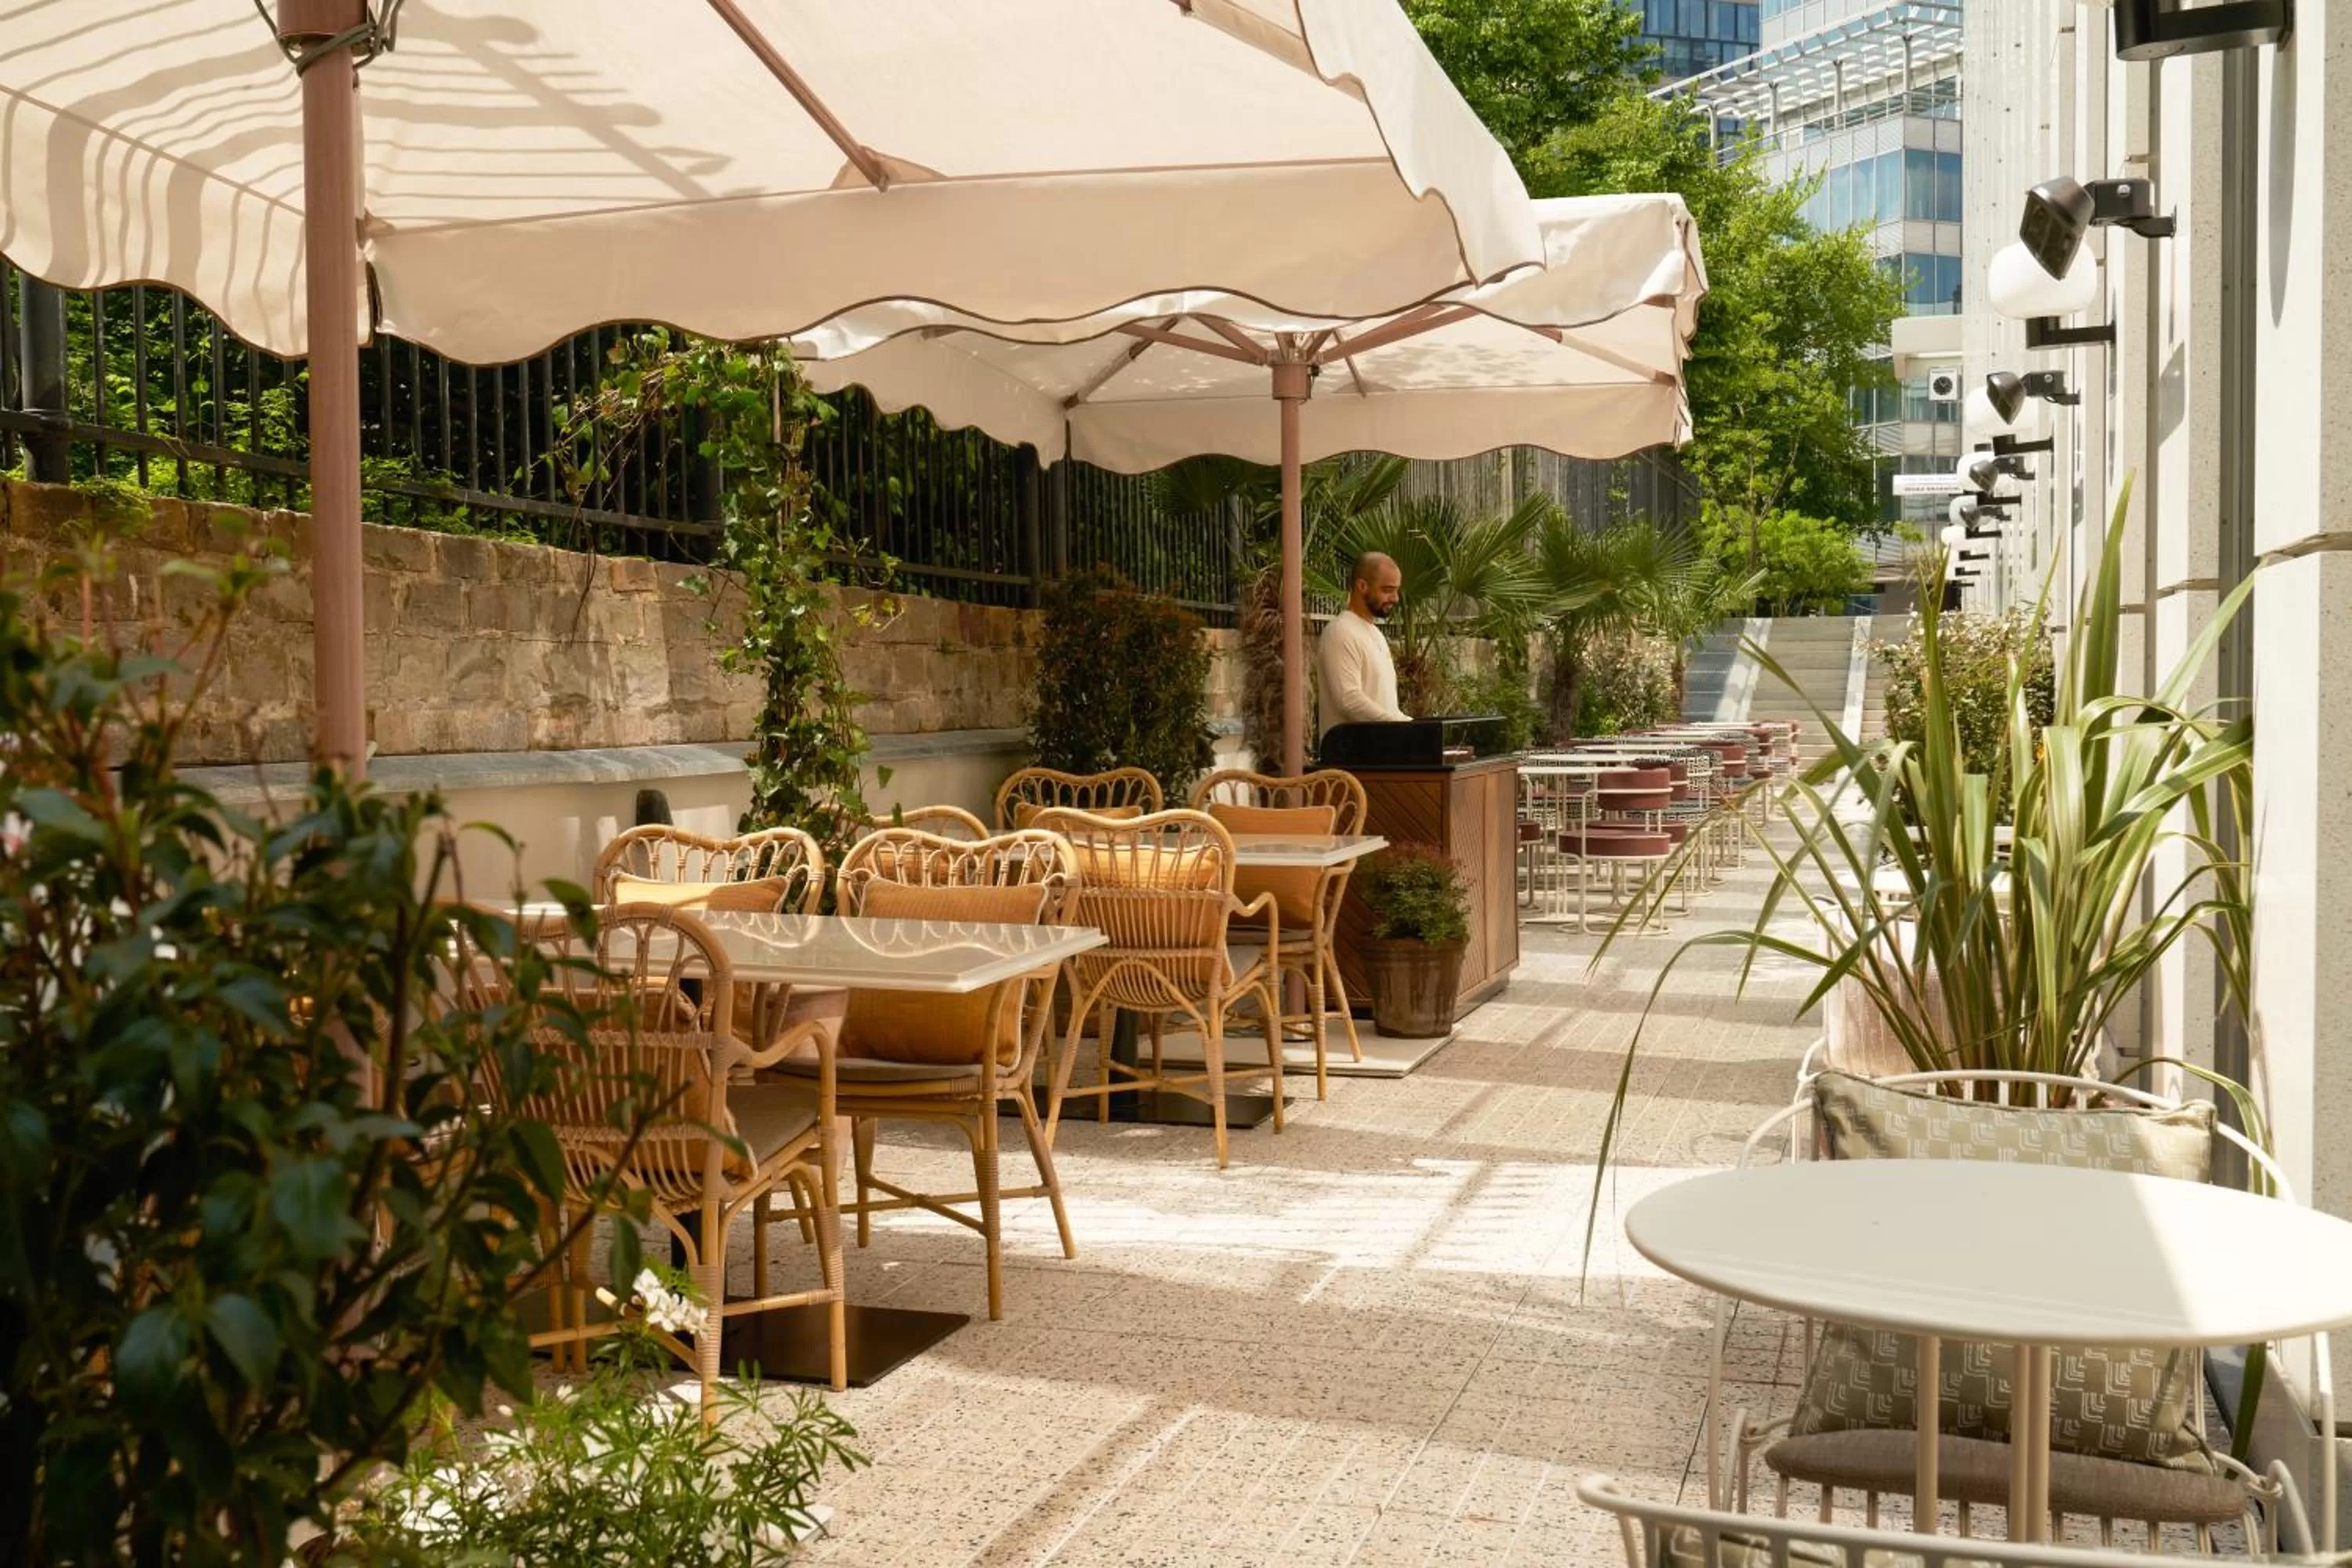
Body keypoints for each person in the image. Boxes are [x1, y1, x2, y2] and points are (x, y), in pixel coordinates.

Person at [1316, 550, 1408, 739]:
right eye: (1387, 590)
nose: (1395, 598)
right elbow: (1348, 699)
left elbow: (1385, 704)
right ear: (1362, 586)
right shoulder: (1340, 632)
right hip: (1352, 761)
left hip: (1382, 754)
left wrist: (1407, 725)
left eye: (1396, 590)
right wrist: (1399, 724)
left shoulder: (1376, 634)